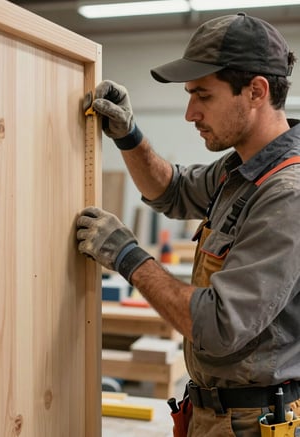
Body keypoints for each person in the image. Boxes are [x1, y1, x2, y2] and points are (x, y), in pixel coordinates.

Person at [76, 12, 300, 437]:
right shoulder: (242, 169)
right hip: (216, 414)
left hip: (254, 424)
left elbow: (218, 327)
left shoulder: (287, 192)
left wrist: (127, 256)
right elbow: (173, 190)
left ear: (256, 91)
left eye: (203, 95)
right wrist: (129, 135)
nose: (190, 113)